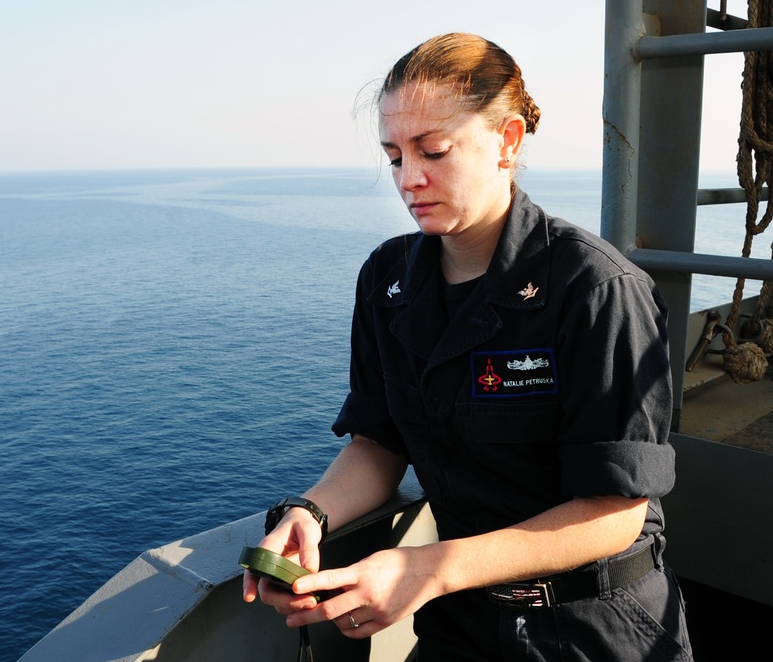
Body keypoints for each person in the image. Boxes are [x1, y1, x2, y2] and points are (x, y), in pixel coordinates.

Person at [242, 32, 693, 661]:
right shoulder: (387, 281)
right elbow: (379, 442)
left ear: (507, 141)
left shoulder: (595, 288)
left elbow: (615, 511)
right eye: (395, 155)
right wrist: (310, 514)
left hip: (594, 627)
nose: (409, 178)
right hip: (462, 622)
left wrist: (430, 569)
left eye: (433, 151)